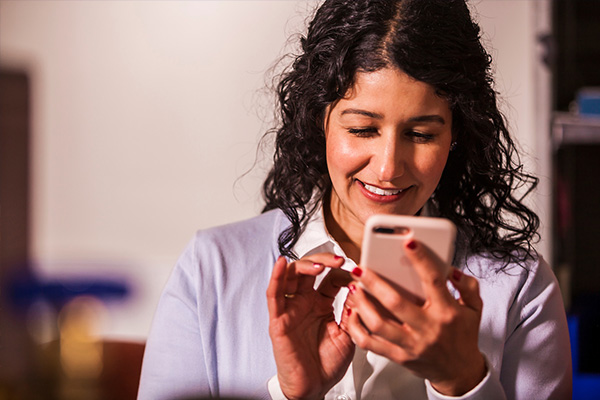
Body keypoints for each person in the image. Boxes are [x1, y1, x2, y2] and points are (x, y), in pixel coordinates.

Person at [137, 0, 572, 399]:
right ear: (319, 119)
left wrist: (462, 381)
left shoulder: (520, 291)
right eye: (362, 129)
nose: (387, 168)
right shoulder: (211, 271)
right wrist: (293, 395)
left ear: (456, 135)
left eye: (422, 134)